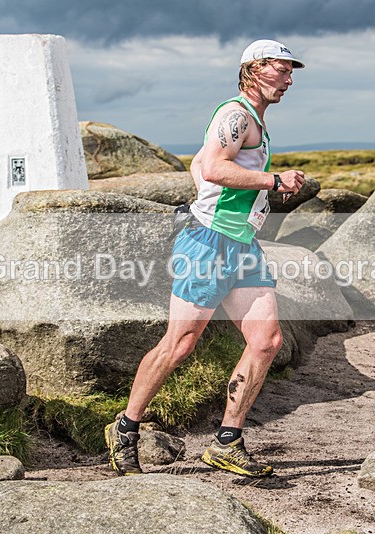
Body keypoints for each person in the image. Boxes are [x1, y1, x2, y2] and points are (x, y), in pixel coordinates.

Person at [105, 39, 306, 478]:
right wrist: (273, 180)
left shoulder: (252, 121)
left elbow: (199, 164)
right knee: (180, 345)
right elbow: (214, 166)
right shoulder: (235, 115)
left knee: (267, 341)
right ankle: (125, 428)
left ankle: (227, 442)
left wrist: (213, 197)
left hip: (242, 246)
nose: (289, 80)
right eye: (282, 70)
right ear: (254, 69)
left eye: (292, 72)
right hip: (208, 245)